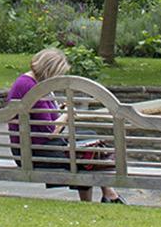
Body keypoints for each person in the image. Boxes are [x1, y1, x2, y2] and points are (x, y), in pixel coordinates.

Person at [7, 48, 123, 203]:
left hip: (35, 146)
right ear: (50, 70)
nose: (59, 78)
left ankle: (108, 194)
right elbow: (50, 131)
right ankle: (104, 197)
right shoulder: (31, 87)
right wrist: (67, 113)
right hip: (33, 153)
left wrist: (59, 110)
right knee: (84, 157)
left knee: (89, 138)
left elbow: (45, 119)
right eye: (58, 73)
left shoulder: (35, 83)